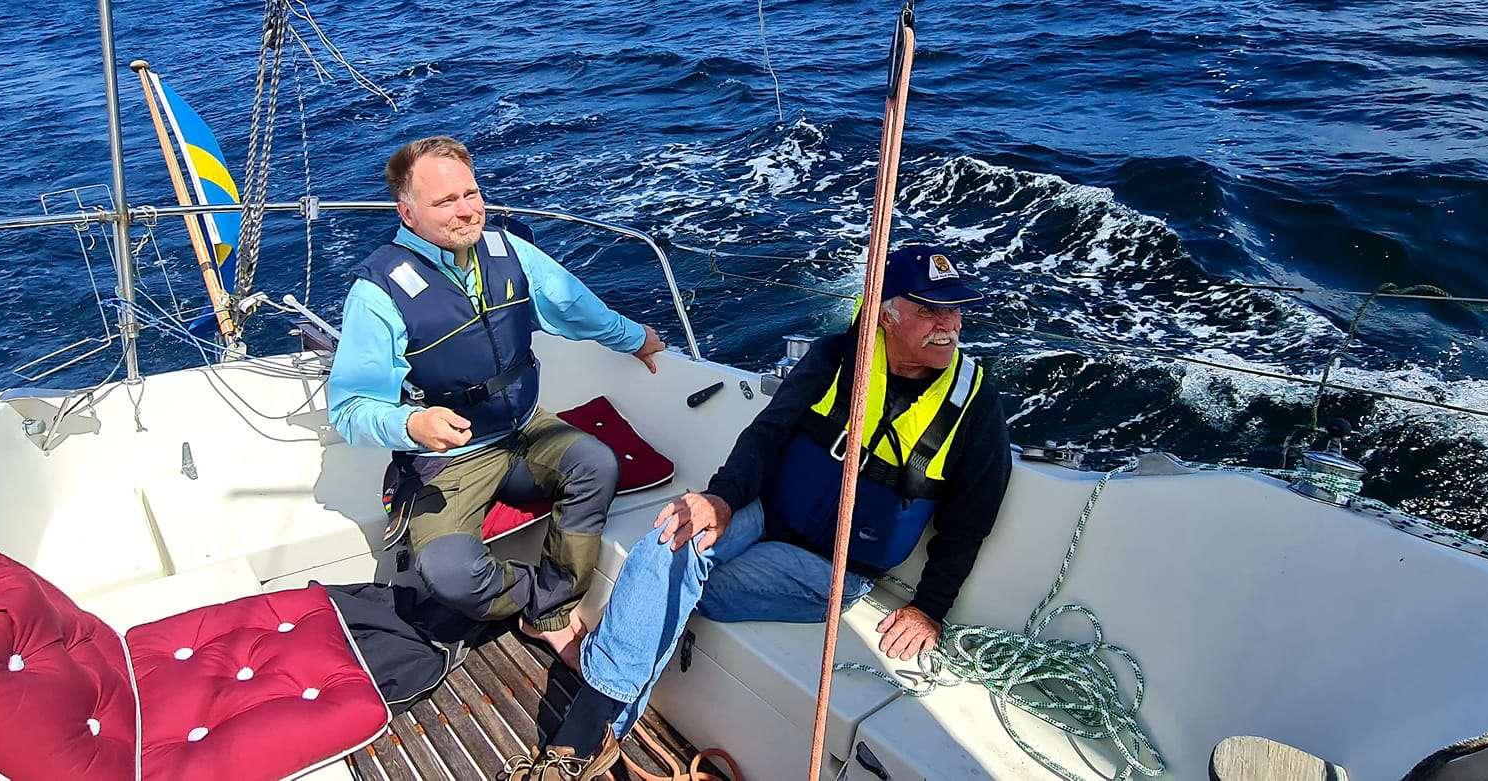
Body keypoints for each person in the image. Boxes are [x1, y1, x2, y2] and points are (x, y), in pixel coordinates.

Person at [514, 245, 1013, 777]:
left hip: (834, 568)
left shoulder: (974, 403)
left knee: (672, 585)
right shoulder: (837, 356)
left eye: (955, 310)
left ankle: (585, 725)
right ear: (885, 314)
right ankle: (593, 731)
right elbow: (767, 434)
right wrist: (723, 499)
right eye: (930, 310)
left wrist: (929, 608)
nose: (949, 325)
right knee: (668, 539)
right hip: (768, 512)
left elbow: (971, 519)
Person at [328, 135, 667, 666]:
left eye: (471, 194)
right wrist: (412, 424)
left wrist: (634, 338)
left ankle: (550, 612)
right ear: (407, 213)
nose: (466, 211)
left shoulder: (509, 251)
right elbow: (349, 409)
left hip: (526, 429)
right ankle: (532, 595)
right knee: (449, 575)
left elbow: (573, 305)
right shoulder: (377, 294)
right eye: (445, 201)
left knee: (596, 464)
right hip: (450, 459)